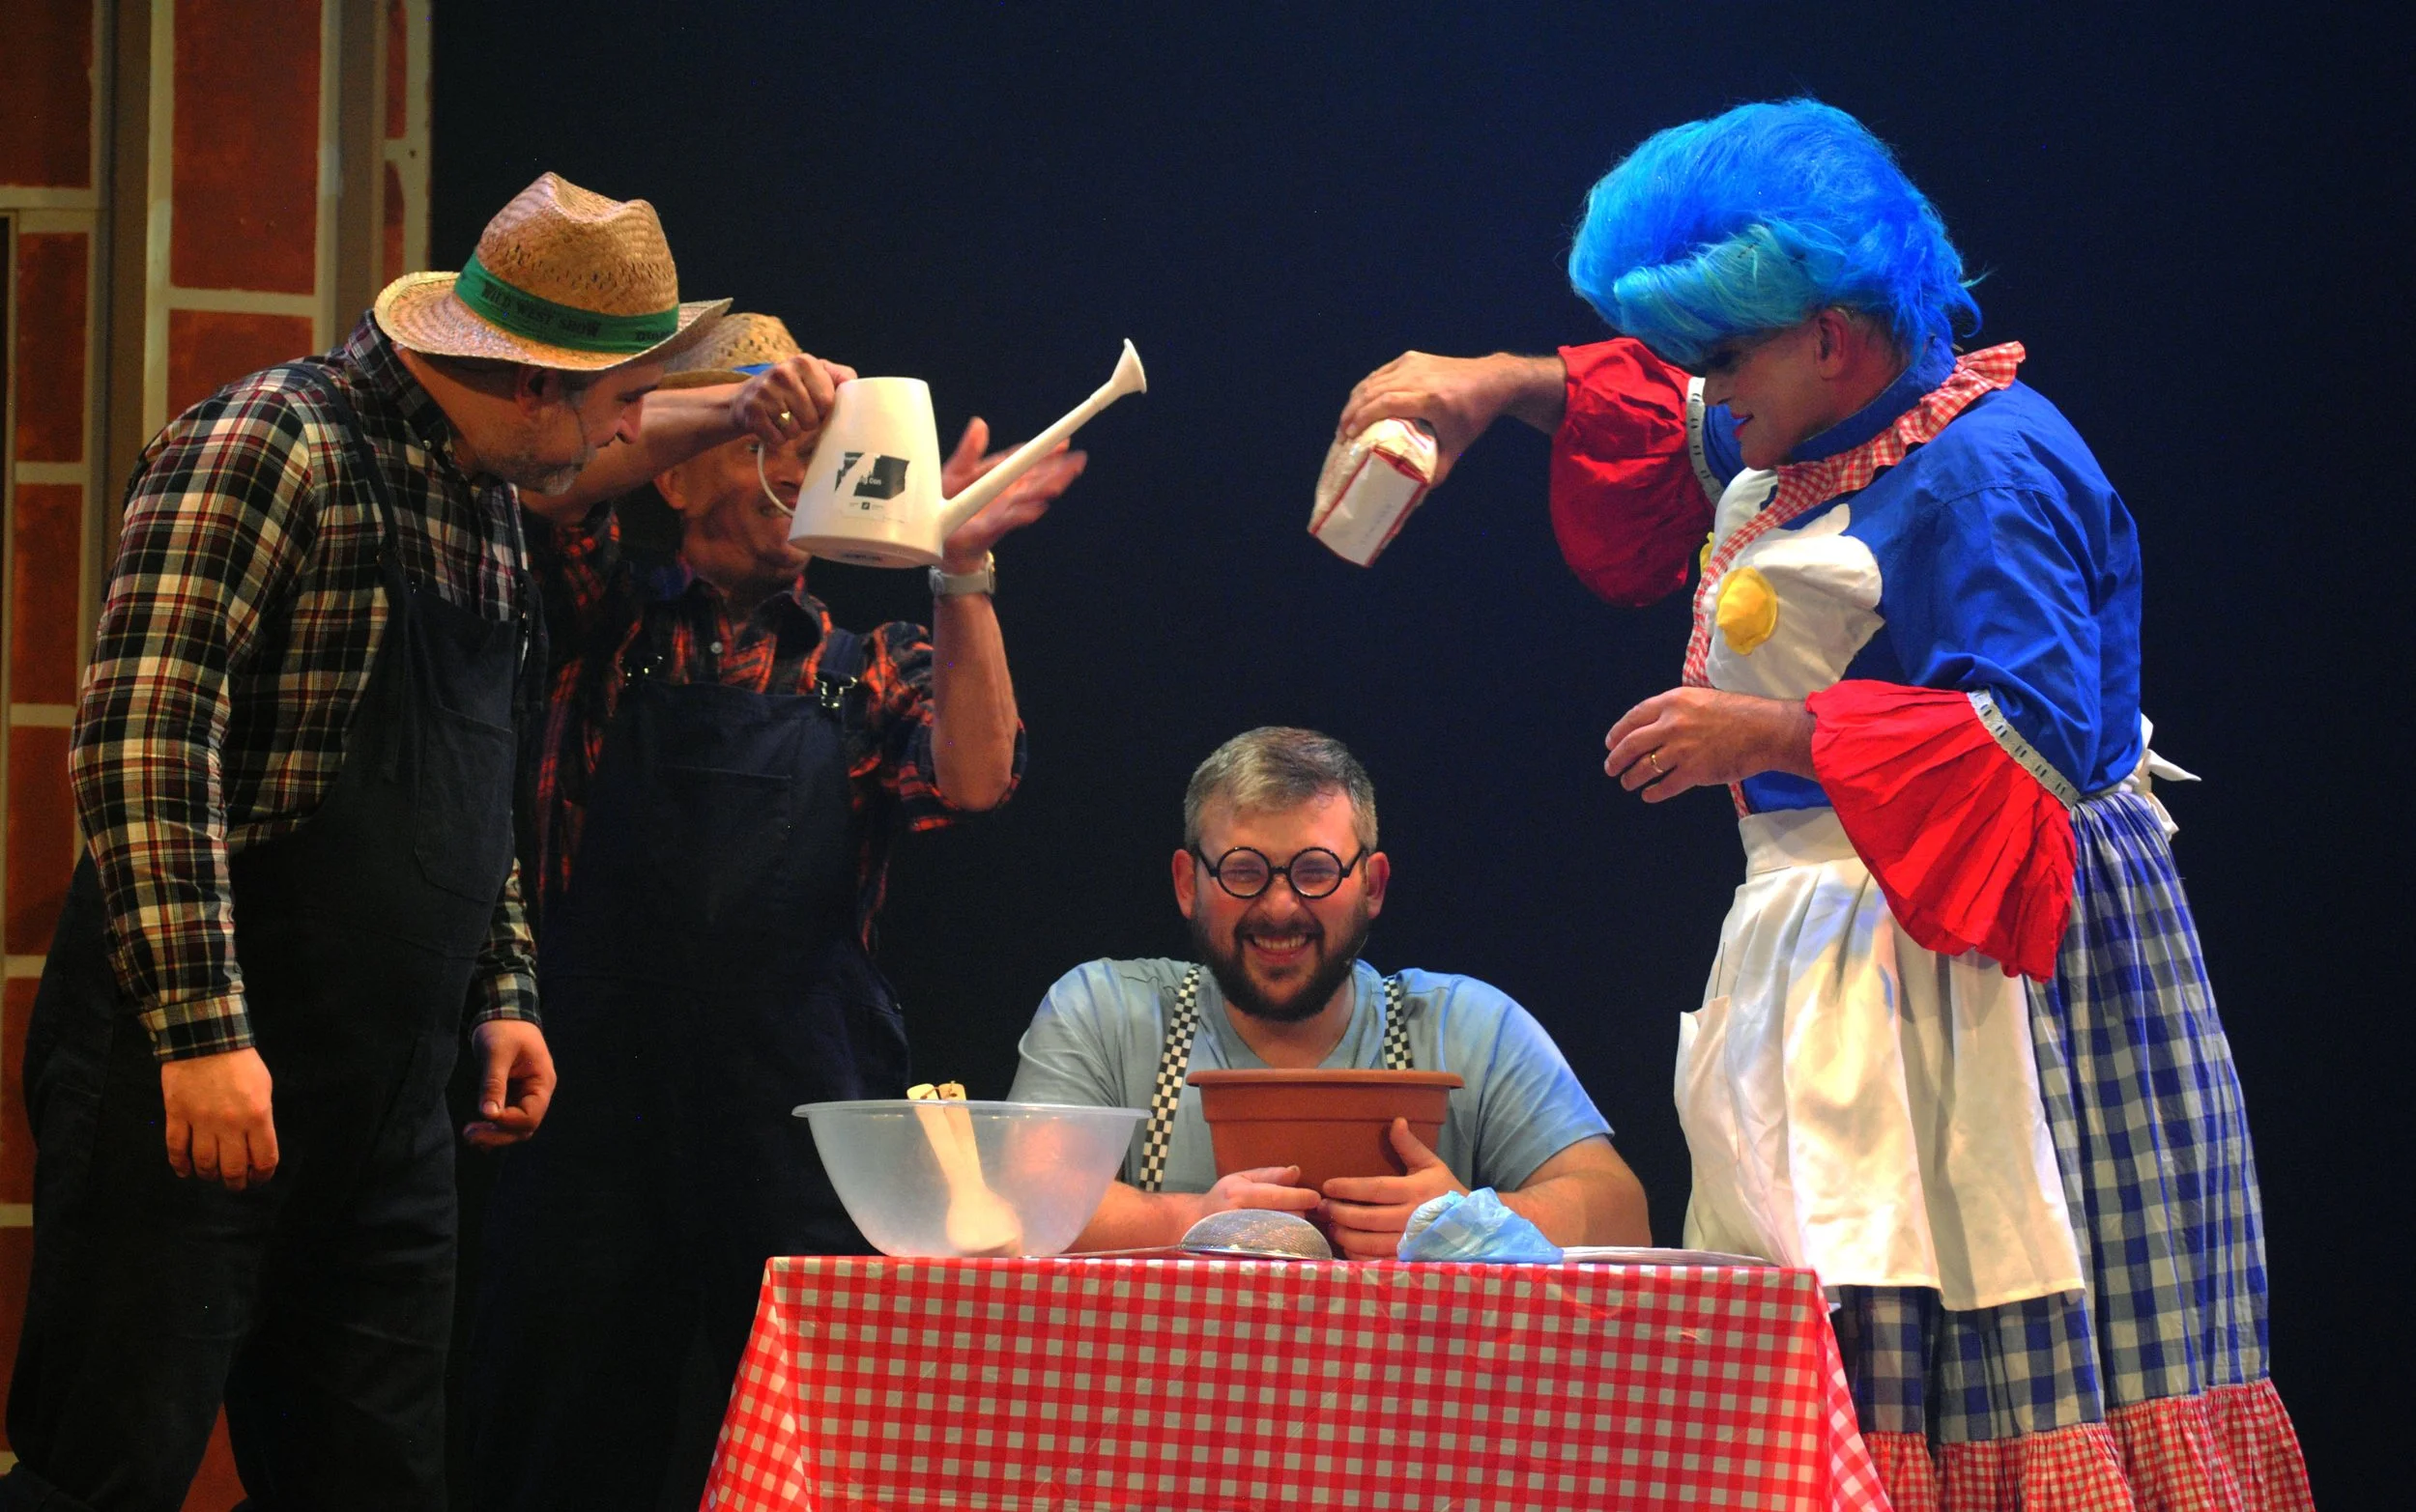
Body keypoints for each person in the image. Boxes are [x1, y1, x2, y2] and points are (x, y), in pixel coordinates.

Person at [1337, 100, 2309, 1506]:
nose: (1707, 398)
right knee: (1830, 1309)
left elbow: (2035, 739)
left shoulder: (1989, 468)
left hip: (1975, 969)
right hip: (1842, 953)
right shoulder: (1821, 420)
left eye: (1723, 360)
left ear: (1831, 338)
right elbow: (1666, 413)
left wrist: (1778, 728)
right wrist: (1498, 383)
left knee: (1978, 1309)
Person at [1, 173, 781, 1512]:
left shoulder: (482, 499)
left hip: (390, 1108)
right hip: (197, 1078)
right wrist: (199, 1032)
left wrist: (504, 993)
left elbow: (471, 784)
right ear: (536, 383)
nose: (633, 431)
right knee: (103, 1471)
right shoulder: (271, 443)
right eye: (620, 399)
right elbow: (143, 738)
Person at [462, 313, 1083, 1510]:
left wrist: (956, 568)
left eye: (813, 444)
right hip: (593, 1123)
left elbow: (976, 776)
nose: (796, 466)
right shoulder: (597, 624)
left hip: (794, 1134)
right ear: (680, 468)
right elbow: (555, 483)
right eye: (768, 441)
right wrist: (739, 403)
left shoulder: (870, 662)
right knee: (557, 1449)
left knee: (830, 1458)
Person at [1012, 727, 1649, 1259]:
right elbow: (1022, 1198)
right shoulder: (1101, 1011)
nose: (1281, 905)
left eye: (1316, 870)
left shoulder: (1473, 1027)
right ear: (1187, 883)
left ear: (1373, 884)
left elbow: (1622, 1215)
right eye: (1243, 870)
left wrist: (1470, 1221)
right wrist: (1192, 1219)